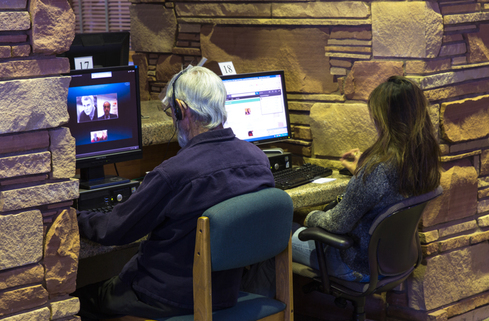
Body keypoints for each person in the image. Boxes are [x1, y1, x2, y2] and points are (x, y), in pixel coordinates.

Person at [75, 66, 275, 320]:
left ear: (182, 109)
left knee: (75, 302)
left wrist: (73, 216)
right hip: (227, 292)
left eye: (171, 111)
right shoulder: (258, 159)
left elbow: (113, 231)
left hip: (167, 297)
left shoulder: (173, 174)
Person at [292, 75, 441, 282]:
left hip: (354, 263)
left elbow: (337, 224)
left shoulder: (377, 171)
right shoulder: (424, 160)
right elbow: (389, 192)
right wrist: (361, 172)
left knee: (273, 237)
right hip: (392, 262)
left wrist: (307, 217)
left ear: (386, 119)